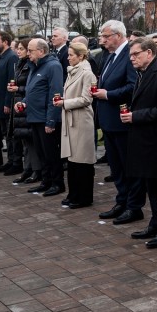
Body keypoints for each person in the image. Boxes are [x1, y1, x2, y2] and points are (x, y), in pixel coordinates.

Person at [120, 37, 157, 249]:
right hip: (146, 142)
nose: (132, 59)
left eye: (136, 54)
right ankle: (155, 223)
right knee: (151, 187)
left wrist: (136, 116)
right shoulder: (142, 74)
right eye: (130, 56)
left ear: (150, 53)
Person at [94, 20, 143, 225]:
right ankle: (121, 201)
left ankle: (134, 206)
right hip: (108, 121)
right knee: (116, 168)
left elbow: (134, 87)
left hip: (122, 121)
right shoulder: (109, 56)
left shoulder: (128, 55)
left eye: (106, 36)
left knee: (127, 166)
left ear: (118, 35)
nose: (102, 40)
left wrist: (108, 95)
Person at [23, 38, 65, 197]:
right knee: (41, 153)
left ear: (41, 51)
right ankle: (46, 181)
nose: (28, 54)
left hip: (45, 119)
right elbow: (34, 90)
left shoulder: (53, 66)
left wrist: (51, 121)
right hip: (34, 117)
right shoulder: (34, 66)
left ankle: (57, 183)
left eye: (30, 50)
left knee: (51, 153)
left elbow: (54, 95)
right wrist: (24, 102)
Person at [57, 41, 96, 209]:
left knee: (82, 161)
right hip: (71, 120)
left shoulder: (87, 73)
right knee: (72, 160)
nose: (68, 58)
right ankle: (73, 193)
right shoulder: (72, 72)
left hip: (81, 121)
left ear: (81, 56)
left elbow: (87, 99)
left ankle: (84, 197)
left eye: (71, 55)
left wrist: (65, 103)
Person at [10, 39, 40, 185]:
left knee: (31, 139)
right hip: (19, 104)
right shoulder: (20, 64)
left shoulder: (31, 65)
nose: (19, 51)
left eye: (22, 49)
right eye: (18, 49)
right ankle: (27, 169)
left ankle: (36, 170)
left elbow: (32, 87)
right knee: (25, 140)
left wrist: (18, 89)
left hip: (27, 104)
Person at [0, 32, 19, 173]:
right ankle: (10, 160)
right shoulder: (0, 57)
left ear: (5, 42)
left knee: (10, 133)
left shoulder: (11, 57)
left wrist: (8, 102)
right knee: (6, 133)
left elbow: (11, 81)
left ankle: (15, 162)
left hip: (5, 102)